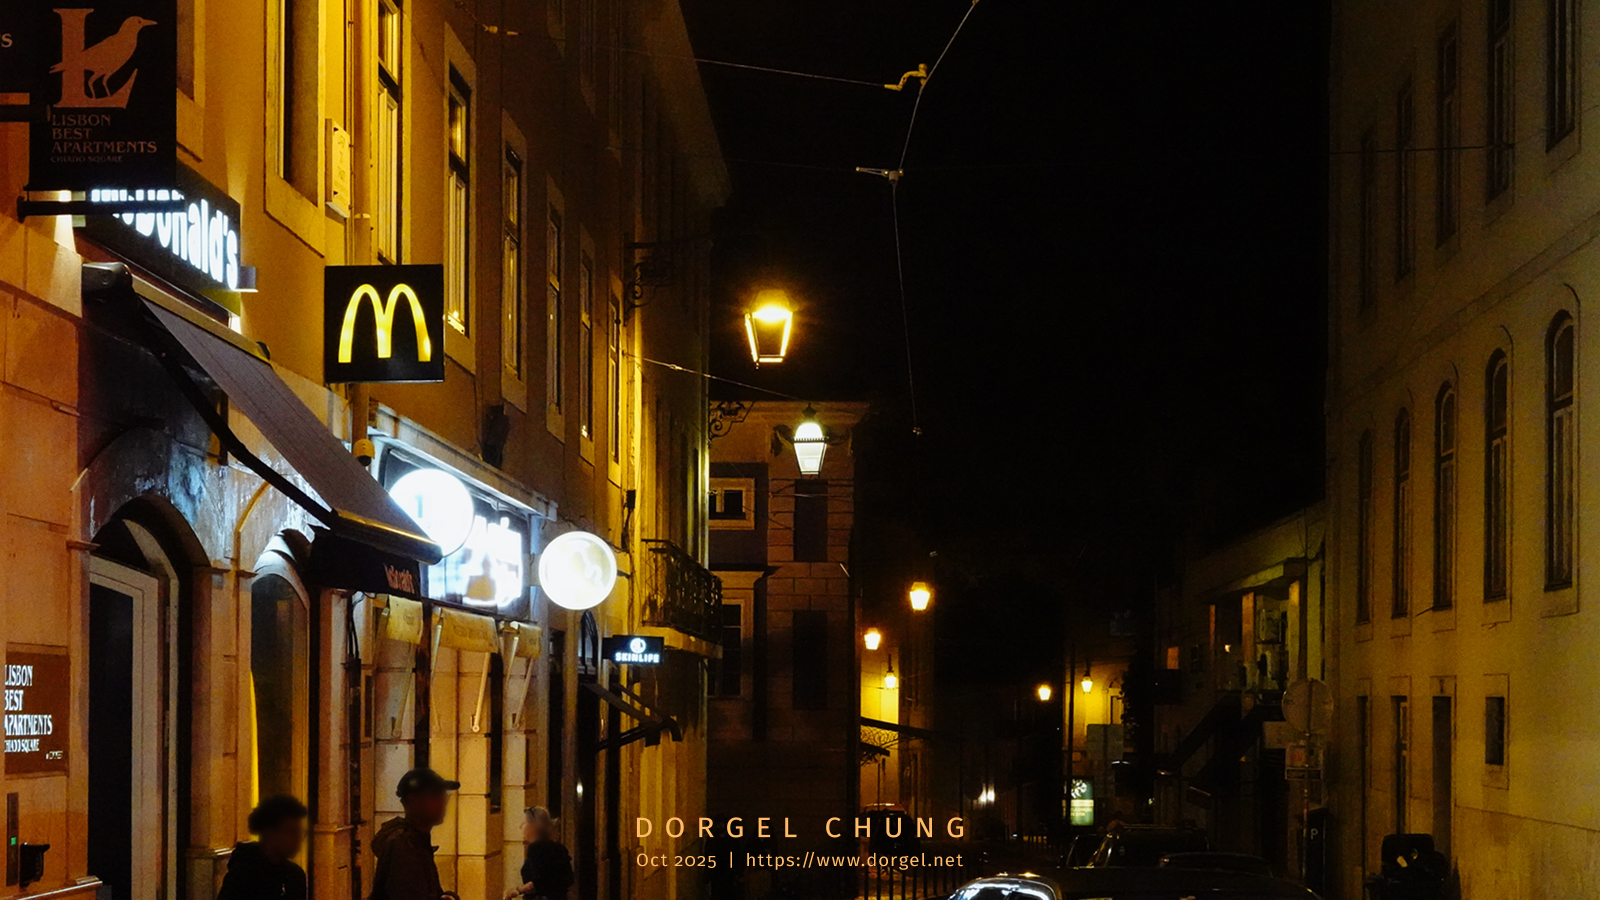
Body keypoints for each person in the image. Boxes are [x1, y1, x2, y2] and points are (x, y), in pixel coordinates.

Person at [370, 768, 462, 900]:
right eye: (434, 795)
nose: (442, 802)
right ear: (413, 800)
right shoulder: (403, 845)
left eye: (444, 795)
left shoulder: (417, 840)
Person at [218, 794, 308, 900]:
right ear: (269, 833)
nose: (298, 838)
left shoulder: (295, 875)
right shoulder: (242, 876)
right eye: (291, 831)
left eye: (300, 832)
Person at [504, 807, 573, 899]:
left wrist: (516, 891)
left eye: (523, 823)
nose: (520, 827)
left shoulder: (535, 848)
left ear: (533, 825)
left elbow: (538, 883)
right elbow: (569, 878)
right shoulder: (559, 847)